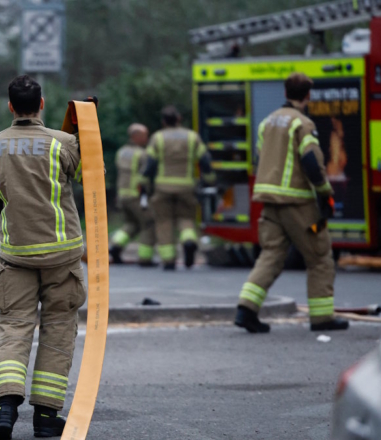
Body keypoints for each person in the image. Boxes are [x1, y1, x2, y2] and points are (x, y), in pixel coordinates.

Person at [0, 75, 86, 440]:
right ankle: (45, 418)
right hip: (62, 255)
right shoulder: (63, 143)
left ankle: (3, 410)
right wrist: (88, 134)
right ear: (41, 104)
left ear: (10, 106)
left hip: (16, 255)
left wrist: (14, 226)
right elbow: (93, 180)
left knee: (14, 328)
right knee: (58, 330)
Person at [234, 72, 349, 333]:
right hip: (299, 207)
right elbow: (310, 161)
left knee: (271, 254)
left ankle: (246, 309)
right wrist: (324, 193)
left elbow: (261, 157)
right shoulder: (303, 124)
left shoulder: (267, 123)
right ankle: (322, 318)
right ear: (307, 95)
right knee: (319, 256)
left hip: (270, 204)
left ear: (285, 93)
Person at [144, 106, 215, 270]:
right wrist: (210, 179)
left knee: (164, 222)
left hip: (162, 187)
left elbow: (150, 164)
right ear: (179, 119)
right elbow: (205, 160)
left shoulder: (158, 138)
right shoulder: (192, 137)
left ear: (163, 121)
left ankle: (169, 260)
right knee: (186, 219)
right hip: (186, 186)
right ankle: (189, 241)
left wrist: (145, 183)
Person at [109, 123, 156, 266]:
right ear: (136, 136)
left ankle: (115, 247)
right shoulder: (142, 154)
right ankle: (145, 258)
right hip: (136, 196)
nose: (147, 138)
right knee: (149, 224)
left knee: (131, 223)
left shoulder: (122, 152)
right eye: (145, 135)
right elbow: (145, 177)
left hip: (123, 196)